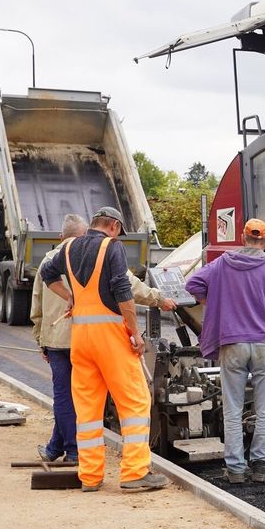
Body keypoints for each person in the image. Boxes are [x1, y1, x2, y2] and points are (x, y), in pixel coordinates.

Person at [39, 206, 169, 491]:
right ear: (112, 226)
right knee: (135, 401)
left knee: (87, 409)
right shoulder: (112, 247)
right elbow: (123, 291)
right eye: (119, 230)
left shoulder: (69, 246)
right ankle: (135, 472)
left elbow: (47, 274)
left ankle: (90, 476)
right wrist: (135, 333)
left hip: (80, 339)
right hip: (110, 337)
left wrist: (70, 296)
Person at [184, 218, 265, 484]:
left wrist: (214, 302)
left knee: (233, 409)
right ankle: (260, 466)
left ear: (243, 238)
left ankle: (235, 469)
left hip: (232, 343)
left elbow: (193, 285)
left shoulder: (223, 263)